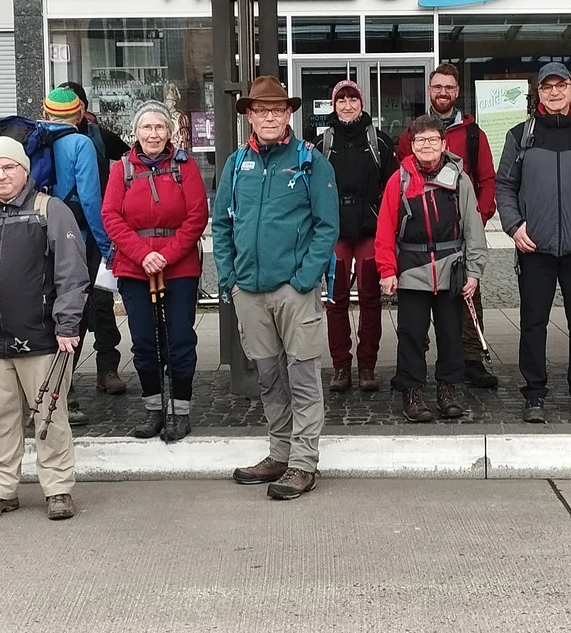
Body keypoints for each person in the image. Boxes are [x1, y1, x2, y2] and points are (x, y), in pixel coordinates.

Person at [0, 136, 89, 522]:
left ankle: (58, 490)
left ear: (25, 172)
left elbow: (72, 275)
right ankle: (1, 490)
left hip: (42, 337)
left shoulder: (50, 210)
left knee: (50, 416)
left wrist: (68, 323)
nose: (1, 175)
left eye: (9, 168)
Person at [212, 75, 339, 500]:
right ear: (249, 114)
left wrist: (304, 279)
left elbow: (327, 227)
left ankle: (303, 463)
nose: (270, 116)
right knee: (269, 377)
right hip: (248, 292)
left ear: (289, 114)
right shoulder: (235, 164)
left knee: (303, 377)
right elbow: (222, 224)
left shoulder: (309, 160)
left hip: (294, 292)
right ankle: (279, 453)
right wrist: (229, 280)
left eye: (278, 110)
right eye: (262, 110)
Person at [494, 60, 571, 425]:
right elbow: (505, 187)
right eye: (547, 87)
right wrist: (515, 226)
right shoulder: (522, 135)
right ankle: (534, 394)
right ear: (539, 93)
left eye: (560, 86)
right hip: (536, 247)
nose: (554, 93)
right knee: (533, 323)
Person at [103, 100, 209, 443]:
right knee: (145, 342)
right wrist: (142, 255)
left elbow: (197, 216)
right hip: (134, 268)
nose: (153, 134)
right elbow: (111, 217)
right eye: (146, 127)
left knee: (179, 339)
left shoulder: (185, 166)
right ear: (136, 132)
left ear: (169, 132)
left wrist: (166, 256)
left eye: (159, 127)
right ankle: (153, 408)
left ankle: (180, 410)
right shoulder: (121, 169)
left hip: (179, 267)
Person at [375, 114, 485, 423]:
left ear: (443, 143)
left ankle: (448, 390)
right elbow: (385, 228)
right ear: (411, 144)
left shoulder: (459, 180)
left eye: (432, 140)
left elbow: (473, 227)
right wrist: (387, 270)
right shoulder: (400, 180)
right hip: (411, 269)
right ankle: (412, 392)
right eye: (420, 140)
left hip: (451, 269)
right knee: (411, 334)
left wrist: (474, 271)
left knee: (451, 334)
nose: (426, 145)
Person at [397, 63, 498, 388]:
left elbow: (487, 179)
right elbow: (400, 184)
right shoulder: (410, 134)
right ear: (429, 90)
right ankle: (417, 367)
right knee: (421, 310)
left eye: (449, 87)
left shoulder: (473, 134)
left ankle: (471, 360)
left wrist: (476, 220)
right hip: (421, 241)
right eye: (437, 86)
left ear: (457, 91)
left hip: (462, 235)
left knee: (467, 300)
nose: (443, 92)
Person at [318, 78, 394, 392]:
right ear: (333, 106)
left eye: (353, 100)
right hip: (335, 229)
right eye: (341, 100)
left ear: (362, 103)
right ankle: (340, 367)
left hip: (369, 229)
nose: (347, 106)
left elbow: (392, 189)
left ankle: (366, 366)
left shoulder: (380, 141)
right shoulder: (323, 142)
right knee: (335, 301)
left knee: (369, 298)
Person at [65, 80, 129, 396]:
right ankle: (62, 379)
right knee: (66, 308)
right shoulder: (46, 140)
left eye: (75, 104)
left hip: (96, 232)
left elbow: (132, 157)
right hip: (62, 236)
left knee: (101, 302)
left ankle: (107, 369)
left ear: (84, 107)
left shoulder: (99, 137)